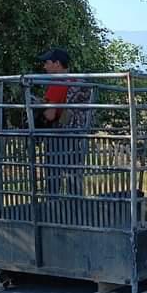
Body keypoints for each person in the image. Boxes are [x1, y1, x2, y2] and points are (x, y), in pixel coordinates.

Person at [38, 48, 92, 195]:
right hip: (78, 135)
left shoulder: (57, 83)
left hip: (59, 136)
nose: (44, 67)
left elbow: (50, 115)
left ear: (57, 64)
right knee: (74, 178)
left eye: (47, 63)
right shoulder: (79, 80)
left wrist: (38, 107)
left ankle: (53, 212)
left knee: (53, 177)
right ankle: (75, 211)